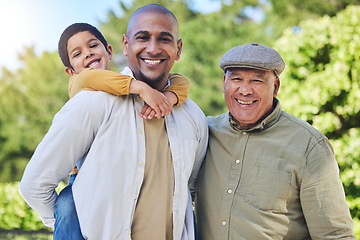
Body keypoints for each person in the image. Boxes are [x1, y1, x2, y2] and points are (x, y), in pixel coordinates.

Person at [19, 4, 208, 240]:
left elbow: (191, 189)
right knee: (68, 202)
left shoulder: (193, 116)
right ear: (125, 45)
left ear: (178, 49)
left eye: (164, 39)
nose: (153, 48)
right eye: (142, 37)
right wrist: (72, 225)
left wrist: (169, 97)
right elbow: (34, 186)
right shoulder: (91, 102)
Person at [195, 42, 356, 239]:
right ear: (224, 83)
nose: (245, 90)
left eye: (257, 81)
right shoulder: (203, 132)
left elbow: (335, 235)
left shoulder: (309, 146)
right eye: (236, 79)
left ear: (276, 87)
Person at [52, 22, 191, 239]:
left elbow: (181, 81)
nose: (88, 54)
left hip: (117, 178)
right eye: (78, 54)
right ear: (71, 71)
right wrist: (143, 88)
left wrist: (167, 99)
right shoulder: (80, 83)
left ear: (109, 51)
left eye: (93, 46)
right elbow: (92, 77)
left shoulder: (121, 84)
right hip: (81, 179)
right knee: (67, 205)